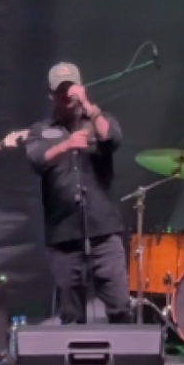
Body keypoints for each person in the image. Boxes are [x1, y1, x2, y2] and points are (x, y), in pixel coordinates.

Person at [25, 62, 132, 325]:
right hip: (64, 235)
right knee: (72, 316)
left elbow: (113, 139)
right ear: (51, 94)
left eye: (71, 87)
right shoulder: (41, 130)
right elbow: (36, 159)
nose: (67, 95)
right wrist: (66, 145)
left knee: (120, 306)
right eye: (61, 90)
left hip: (103, 231)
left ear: (81, 87)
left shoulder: (98, 120)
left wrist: (89, 107)